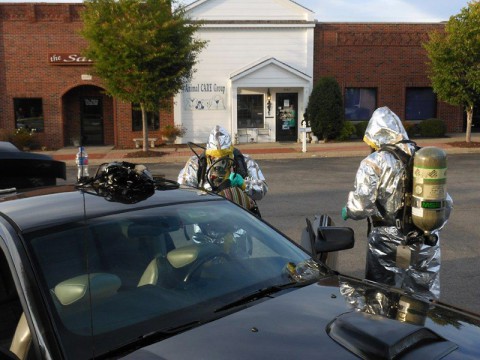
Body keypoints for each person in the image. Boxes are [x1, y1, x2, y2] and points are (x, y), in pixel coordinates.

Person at [341, 106, 452, 301]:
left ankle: (384, 330)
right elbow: (446, 202)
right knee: (421, 297)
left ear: (375, 135)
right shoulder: (423, 158)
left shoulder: (374, 161)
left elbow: (360, 207)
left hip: (388, 240)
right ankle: (418, 329)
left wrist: (348, 210)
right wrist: (428, 227)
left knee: (380, 296)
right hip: (425, 239)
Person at [178, 125, 268, 204]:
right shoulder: (196, 164)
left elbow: (262, 190)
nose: (218, 161)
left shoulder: (245, 161)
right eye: (214, 156)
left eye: (224, 157)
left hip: (238, 214)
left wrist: (244, 184)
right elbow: (183, 193)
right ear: (208, 154)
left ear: (231, 153)